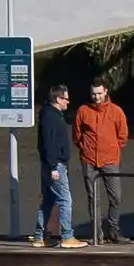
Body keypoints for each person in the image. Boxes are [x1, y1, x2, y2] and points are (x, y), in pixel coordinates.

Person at [72, 81, 130, 241]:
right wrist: (84, 149)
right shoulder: (83, 111)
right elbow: (77, 136)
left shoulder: (116, 111)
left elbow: (123, 136)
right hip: (89, 160)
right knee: (93, 198)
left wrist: (113, 149)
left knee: (116, 197)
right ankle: (97, 234)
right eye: (93, 93)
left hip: (110, 160)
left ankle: (113, 230)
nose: (96, 97)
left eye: (99, 93)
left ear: (105, 92)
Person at [36, 82, 81, 247]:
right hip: (55, 165)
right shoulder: (51, 117)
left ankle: (39, 236)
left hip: (52, 164)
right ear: (57, 98)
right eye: (66, 99)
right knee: (65, 199)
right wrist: (54, 166)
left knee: (48, 200)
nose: (68, 102)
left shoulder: (50, 115)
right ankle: (67, 236)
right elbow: (49, 143)